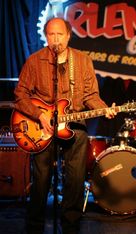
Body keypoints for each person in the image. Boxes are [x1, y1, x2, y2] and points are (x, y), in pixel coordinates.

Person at [14, 17, 116, 234]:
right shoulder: (35, 61)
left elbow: (91, 96)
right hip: (42, 128)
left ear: (69, 36)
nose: (55, 39)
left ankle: (70, 227)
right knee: (41, 179)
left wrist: (104, 108)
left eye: (60, 34)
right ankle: (35, 227)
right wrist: (39, 114)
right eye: (51, 34)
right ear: (46, 36)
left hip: (74, 124)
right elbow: (20, 95)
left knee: (75, 179)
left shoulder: (82, 61)